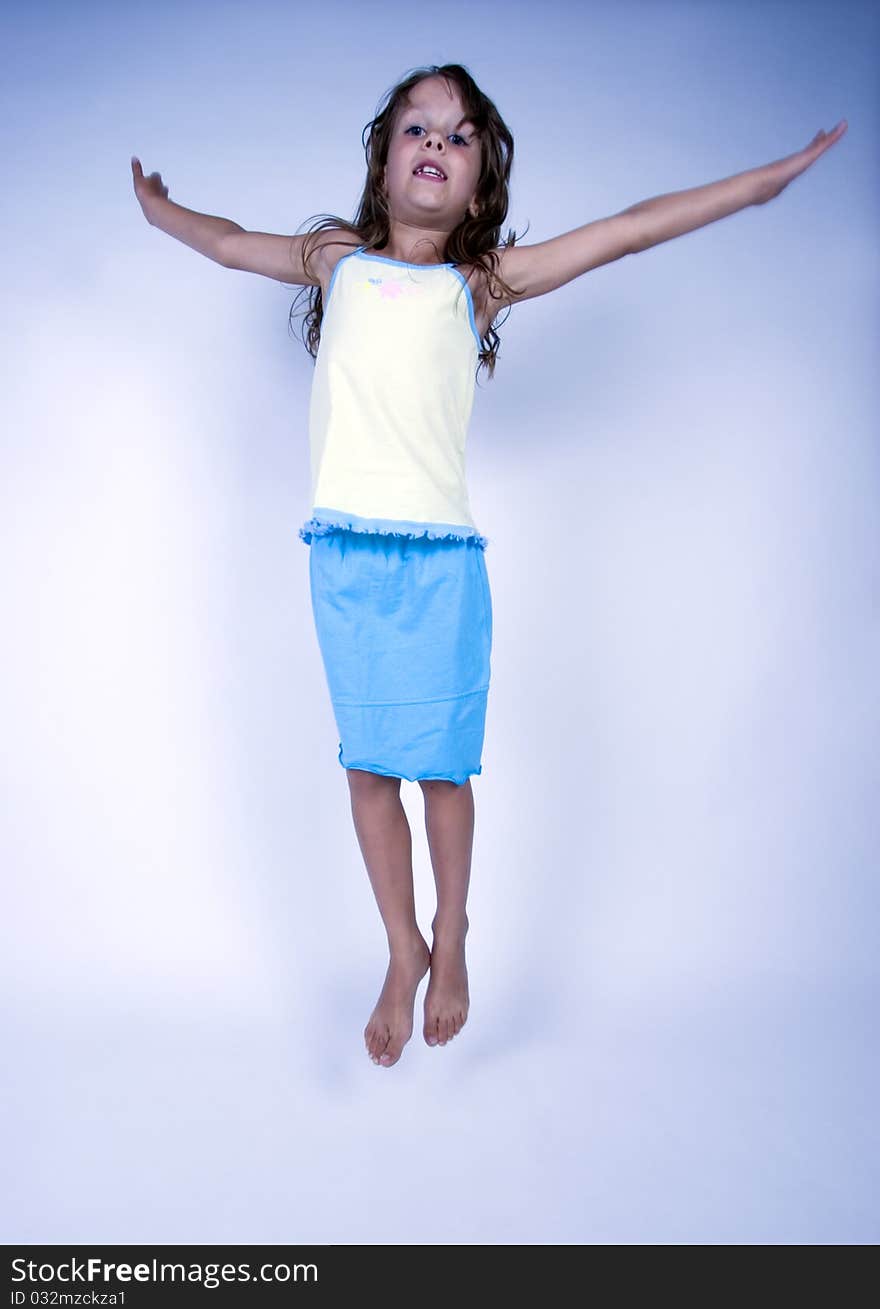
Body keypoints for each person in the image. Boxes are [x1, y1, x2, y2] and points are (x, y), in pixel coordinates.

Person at [131, 63, 846, 1069]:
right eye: (419, 126)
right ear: (383, 160)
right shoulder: (332, 258)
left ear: (479, 184)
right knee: (367, 766)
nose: (437, 141)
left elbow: (630, 228)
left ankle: (453, 927)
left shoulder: (478, 285)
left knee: (440, 772)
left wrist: (762, 181)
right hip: (342, 557)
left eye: (461, 135)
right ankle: (401, 943)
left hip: (438, 568)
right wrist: (159, 210)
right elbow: (222, 241)